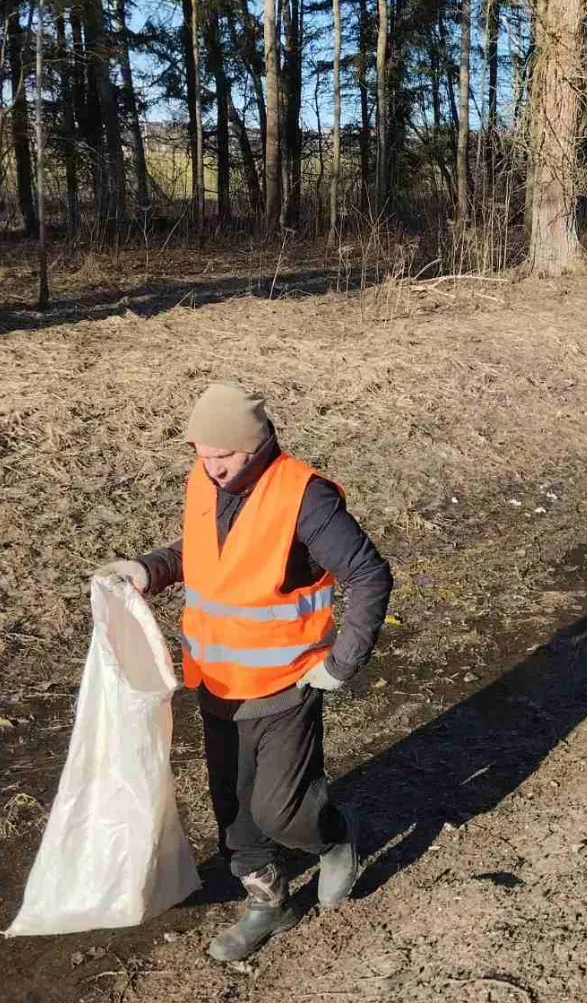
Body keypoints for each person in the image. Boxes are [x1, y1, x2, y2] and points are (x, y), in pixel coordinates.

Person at [95, 383, 392, 962]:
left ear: (255, 445)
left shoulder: (305, 496)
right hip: (216, 683)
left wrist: (342, 662)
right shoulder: (205, 480)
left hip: (286, 685)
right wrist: (147, 570)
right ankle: (268, 903)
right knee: (234, 815)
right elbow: (204, 553)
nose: (212, 467)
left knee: (280, 811)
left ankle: (334, 836)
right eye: (203, 454)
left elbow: (369, 575)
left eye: (223, 456)